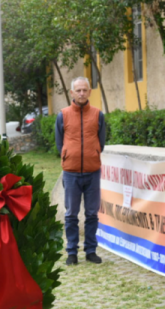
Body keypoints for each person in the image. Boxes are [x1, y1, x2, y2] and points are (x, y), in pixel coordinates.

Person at [55, 76, 107, 266]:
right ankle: (71, 252)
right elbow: (59, 143)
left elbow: (101, 142)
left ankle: (91, 251)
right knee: (71, 214)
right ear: (72, 93)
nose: (82, 93)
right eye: (78, 90)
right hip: (71, 173)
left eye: (85, 90)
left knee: (92, 213)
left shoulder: (98, 114)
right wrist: (69, 155)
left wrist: (92, 154)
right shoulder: (63, 115)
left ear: (90, 92)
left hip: (92, 172)